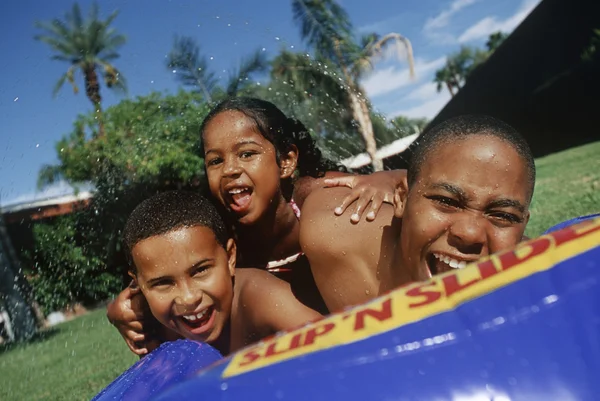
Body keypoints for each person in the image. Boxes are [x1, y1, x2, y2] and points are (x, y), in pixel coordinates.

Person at [108, 97, 405, 355]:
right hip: (297, 331)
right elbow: (161, 271)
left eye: (247, 154)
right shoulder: (218, 228)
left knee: (332, 227)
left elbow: (423, 184)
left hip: (358, 323)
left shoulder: (321, 198)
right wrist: (124, 310)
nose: (230, 170)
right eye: (215, 161)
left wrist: (391, 179)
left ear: (286, 160)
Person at [300, 115, 535, 312]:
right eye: (446, 201)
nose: (470, 233)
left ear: (523, 225)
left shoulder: (534, 280)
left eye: (503, 216)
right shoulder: (330, 230)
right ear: (401, 199)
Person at [122, 190, 321, 356]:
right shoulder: (151, 323)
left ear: (230, 257)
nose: (188, 298)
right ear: (139, 284)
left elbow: (338, 347)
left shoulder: (264, 300)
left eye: (200, 270)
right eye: (163, 283)